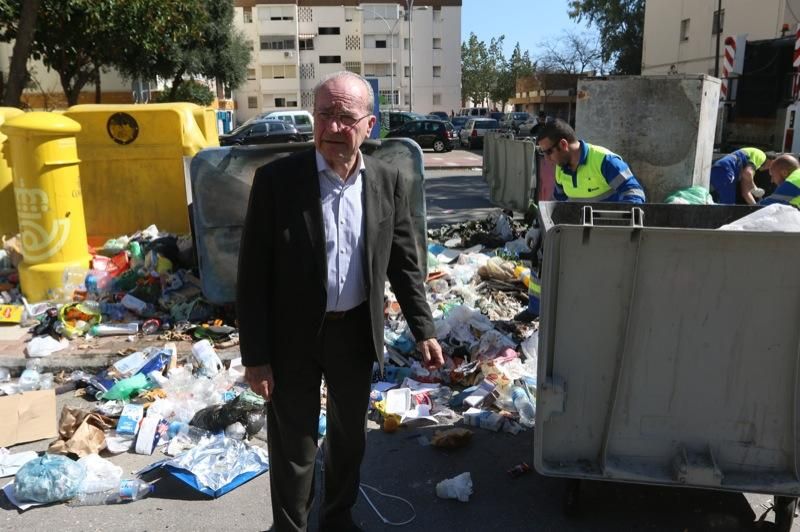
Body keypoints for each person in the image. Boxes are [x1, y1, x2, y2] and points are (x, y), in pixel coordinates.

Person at [237, 70, 444, 532]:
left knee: (350, 438)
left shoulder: (388, 181)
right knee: (295, 442)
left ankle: (337, 518)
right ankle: (290, 526)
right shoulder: (277, 182)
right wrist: (256, 356)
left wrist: (424, 329)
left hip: (353, 332)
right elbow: (251, 276)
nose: (332, 127)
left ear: (369, 125)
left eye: (345, 117)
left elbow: (403, 263)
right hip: (291, 335)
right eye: (324, 114)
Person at [536, 118, 646, 203]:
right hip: (579, 231)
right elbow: (556, 204)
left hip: (609, 229)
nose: (547, 159)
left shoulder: (605, 161)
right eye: (543, 153)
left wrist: (620, 223)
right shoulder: (560, 168)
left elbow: (635, 194)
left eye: (549, 152)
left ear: (563, 144)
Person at [710, 147, 776, 205]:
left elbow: (745, 193)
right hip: (726, 170)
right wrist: (755, 189)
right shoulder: (762, 156)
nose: (768, 170)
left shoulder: (749, 167)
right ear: (772, 162)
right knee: (727, 206)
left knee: (720, 202)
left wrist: (756, 207)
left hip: (720, 169)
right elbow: (747, 173)